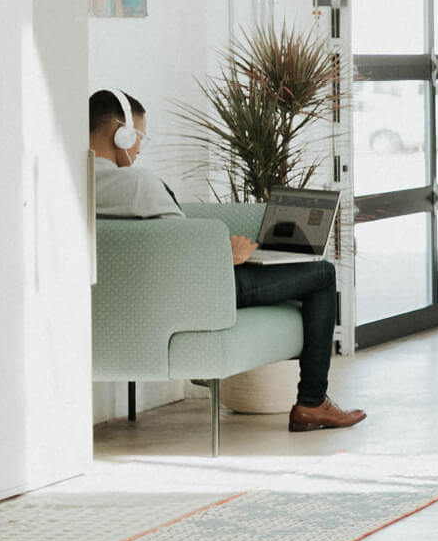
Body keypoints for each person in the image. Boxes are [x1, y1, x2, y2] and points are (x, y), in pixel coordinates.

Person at [90, 90, 366, 431]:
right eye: (140, 137)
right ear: (122, 133)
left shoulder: (69, 180)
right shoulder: (137, 184)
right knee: (321, 273)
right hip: (201, 290)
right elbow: (184, 255)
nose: (140, 148)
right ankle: (312, 402)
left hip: (128, 295)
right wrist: (229, 256)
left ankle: (313, 402)